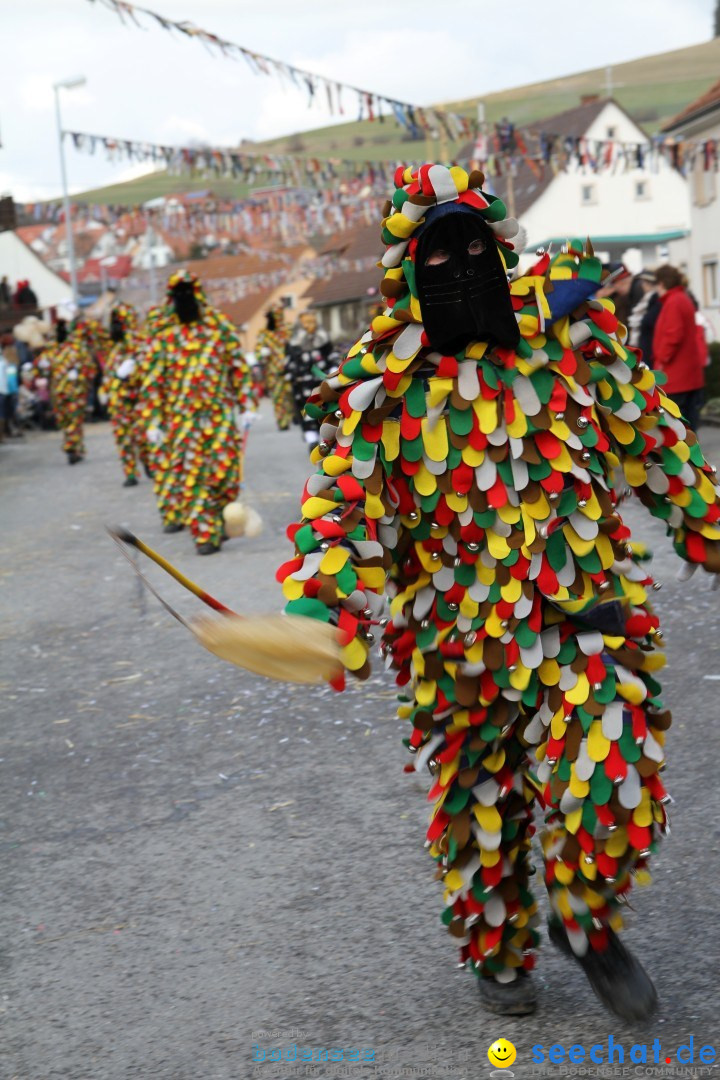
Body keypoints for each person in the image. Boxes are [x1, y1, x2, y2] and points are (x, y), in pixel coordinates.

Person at [276, 163, 720, 1021]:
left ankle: (586, 920)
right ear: (406, 274)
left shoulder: (573, 337)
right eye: (437, 254)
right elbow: (337, 505)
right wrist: (324, 602)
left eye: (474, 244)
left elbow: (656, 441)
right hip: (451, 637)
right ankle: (497, 948)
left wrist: (706, 521)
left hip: (583, 612)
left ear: (501, 249)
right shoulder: (380, 385)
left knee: (614, 771)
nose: (462, 265)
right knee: (481, 801)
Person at [140, 270, 256, 554]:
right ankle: (204, 535)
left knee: (225, 477)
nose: (184, 299)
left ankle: (218, 520)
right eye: (178, 294)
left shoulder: (219, 330)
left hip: (218, 419)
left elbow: (237, 369)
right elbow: (153, 382)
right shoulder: (164, 337)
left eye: (188, 292)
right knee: (193, 480)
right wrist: (153, 421)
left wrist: (247, 405)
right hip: (183, 423)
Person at [102, 302, 152, 487]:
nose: (116, 326)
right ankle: (130, 473)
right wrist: (106, 388)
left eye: (119, 321)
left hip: (136, 400)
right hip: (118, 403)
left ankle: (147, 461)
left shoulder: (139, 343)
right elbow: (109, 371)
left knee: (141, 436)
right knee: (123, 440)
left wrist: (131, 375)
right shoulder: (113, 347)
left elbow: (146, 369)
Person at [47, 317, 109, 464]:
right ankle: (74, 447)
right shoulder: (55, 350)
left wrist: (80, 375)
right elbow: (91, 370)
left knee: (72, 421)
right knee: (71, 422)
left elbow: (90, 369)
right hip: (69, 392)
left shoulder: (69, 349)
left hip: (73, 392)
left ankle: (73, 448)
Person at [652, 265, 706, 432]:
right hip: (688, 374)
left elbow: (673, 335)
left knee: (677, 424)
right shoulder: (682, 298)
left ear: (661, 284)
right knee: (689, 422)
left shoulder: (673, 301)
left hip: (675, 375)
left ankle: (682, 457)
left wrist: (661, 361)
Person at [285, 310, 334, 451]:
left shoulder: (323, 339)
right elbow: (289, 362)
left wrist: (333, 369)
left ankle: (327, 439)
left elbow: (331, 355)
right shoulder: (294, 343)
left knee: (325, 409)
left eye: (312, 321)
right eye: (306, 322)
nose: (309, 325)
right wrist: (293, 374)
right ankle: (312, 440)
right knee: (306, 411)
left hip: (322, 382)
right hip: (302, 385)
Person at [256, 306, 294, 431]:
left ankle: (294, 415)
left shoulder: (288, 330)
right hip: (274, 373)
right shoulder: (264, 334)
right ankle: (282, 421)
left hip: (290, 368)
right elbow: (258, 352)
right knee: (278, 398)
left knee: (292, 395)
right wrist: (262, 353)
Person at [627, 270, 660, 368]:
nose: (642, 285)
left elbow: (648, 321)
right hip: (644, 346)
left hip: (649, 348)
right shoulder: (646, 298)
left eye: (645, 283)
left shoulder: (654, 299)